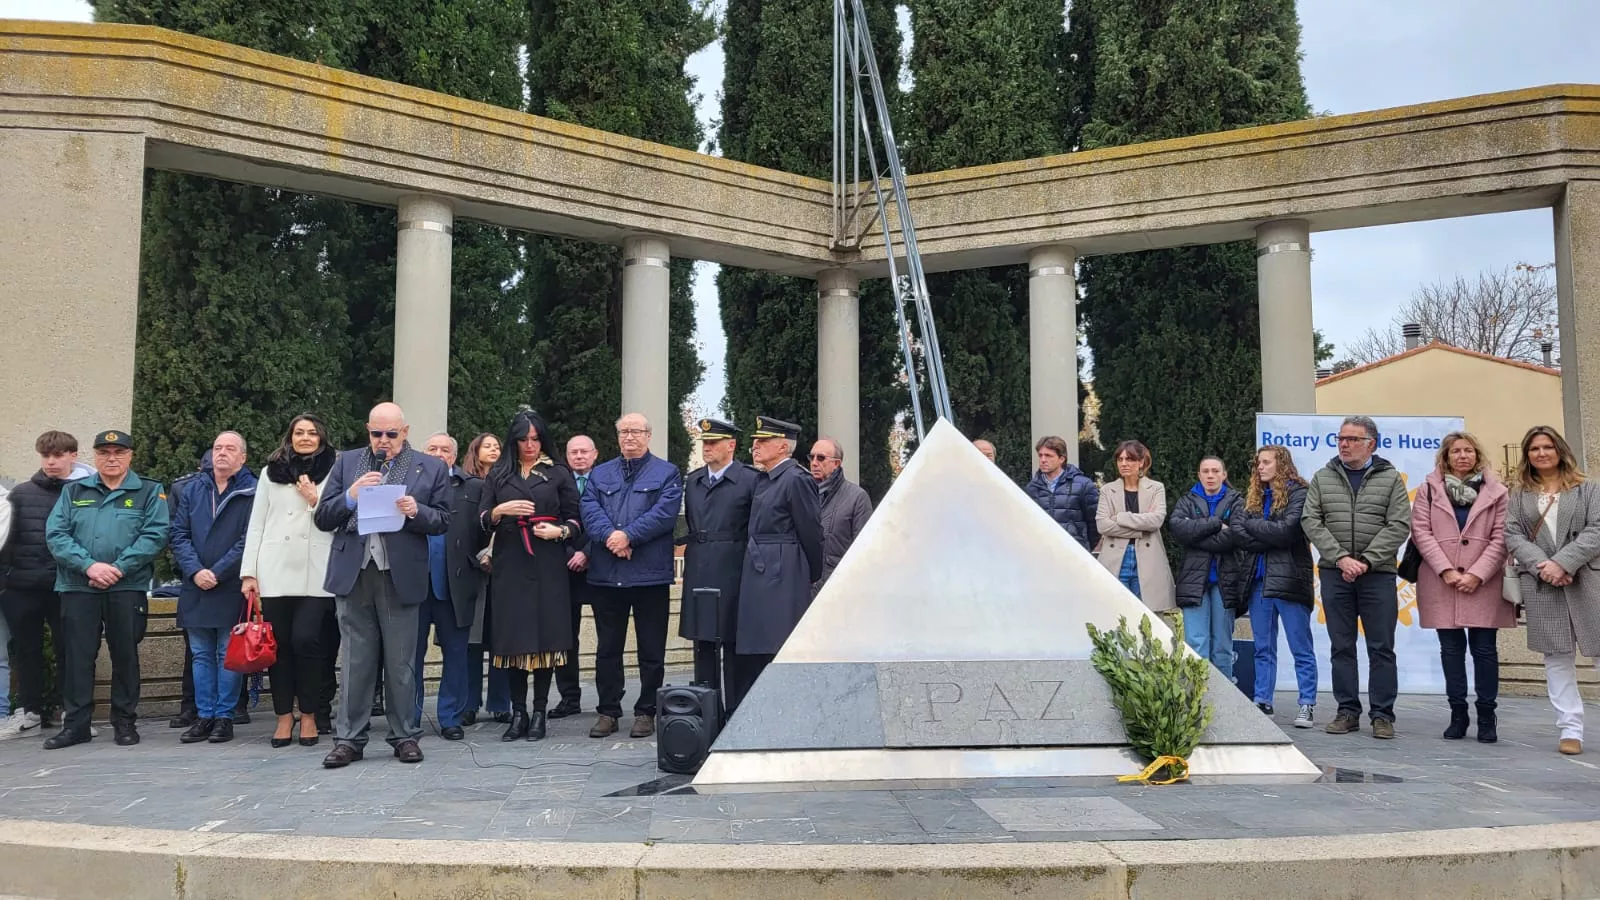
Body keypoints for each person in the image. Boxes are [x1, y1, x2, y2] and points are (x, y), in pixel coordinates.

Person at [314, 402, 451, 768]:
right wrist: (350, 496)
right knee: (356, 660)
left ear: (405, 432)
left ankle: (405, 734)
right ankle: (348, 739)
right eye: (377, 433)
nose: (384, 441)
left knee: (401, 659)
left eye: (392, 434)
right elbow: (322, 517)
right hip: (354, 571)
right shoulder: (346, 463)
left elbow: (443, 520)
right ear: (367, 430)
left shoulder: (431, 466)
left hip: (399, 573)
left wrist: (415, 512)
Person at [43, 429, 171, 749]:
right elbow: (57, 534)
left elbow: (154, 535)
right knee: (78, 658)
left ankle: (125, 722)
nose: (111, 458)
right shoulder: (74, 492)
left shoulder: (148, 491)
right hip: (78, 585)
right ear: (95, 456)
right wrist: (89, 565)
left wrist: (118, 567)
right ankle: (76, 726)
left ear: (130, 456)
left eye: (118, 452)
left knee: (125, 655)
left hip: (126, 586)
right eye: (103, 453)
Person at [1303, 415, 1412, 740]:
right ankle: (1347, 711)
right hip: (1336, 574)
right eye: (1341, 439)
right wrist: (1341, 558)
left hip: (1376, 575)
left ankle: (1382, 715)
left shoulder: (1390, 479)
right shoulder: (1323, 477)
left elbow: (1399, 525)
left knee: (1381, 647)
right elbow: (1311, 520)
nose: (1345, 445)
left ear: (1371, 444)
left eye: (1352, 439)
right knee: (1342, 645)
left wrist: (1364, 560)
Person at [478, 410, 583, 741]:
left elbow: (577, 520)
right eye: (523, 439)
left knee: (544, 639)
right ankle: (518, 712)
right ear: (514, 441)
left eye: (536, 439)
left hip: (547, 563)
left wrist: (559, 532)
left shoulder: (558, 474)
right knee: (513, 641)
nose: (530, 445)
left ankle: (539, 712)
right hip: (510, 564)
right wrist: (499, 511)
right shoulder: (498, 474)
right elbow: (480, 520)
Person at [580, 413, 682, 740]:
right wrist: (612, 536)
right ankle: (608, 711)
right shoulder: (601, 473)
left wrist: (628, 537)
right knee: (608, 649)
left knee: (651, 649)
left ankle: (646, 710)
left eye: (636, 431)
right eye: (623, 431)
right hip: (607, 576)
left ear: (648, 435)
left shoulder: (667, 473)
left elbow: (663, 515)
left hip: (649, 575)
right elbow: (589, 510)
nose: (629, 437)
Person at [242, 414, 337, 747]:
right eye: (299, 432)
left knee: (308, 640)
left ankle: (309, 714)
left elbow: (341, 515)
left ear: (322, 437)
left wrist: (315, 499)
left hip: (317, 570)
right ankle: (284, 716)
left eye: (312, 432)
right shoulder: (271, 472)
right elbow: (257, 523)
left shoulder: (335, 468)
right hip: (275, 568)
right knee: (278, 645)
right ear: (290, 437)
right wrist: (249, 573)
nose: (306, 437)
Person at [1504, 425, 1600, 756]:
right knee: (1557, 658)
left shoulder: (1587, 489)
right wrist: (1545, 566)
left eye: (1547, 447)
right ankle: (1570, 729)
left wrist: (1564, 563)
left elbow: (1597, 529)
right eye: (1534, 449)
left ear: (1559, 450)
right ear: (1527, 456)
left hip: (1587, 580)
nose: (1541, 453)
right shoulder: (1519, 495)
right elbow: (1512, 535)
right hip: (1543, 583)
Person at [1412, 431, 1513, 743]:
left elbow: (1502, 537)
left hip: (1484, 581)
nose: (1462, 456)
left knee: (1484, 650)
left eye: (1468, 450)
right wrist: (1445, 570)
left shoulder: (1498, 491)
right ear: (1446, 457)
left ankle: (1486, 715)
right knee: (1451, 650)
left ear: (1477, 455)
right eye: (1455, 451)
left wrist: (1477, 574)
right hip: (1441, 581)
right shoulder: (1428, 490)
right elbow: (1420, 532)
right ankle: (1458, 713)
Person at [170, 431, 257, 745]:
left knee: (226, 654)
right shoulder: (193, 489)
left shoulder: (252, 490)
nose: (222, 453)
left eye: (230, 448)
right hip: (196, 585)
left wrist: (217, 572)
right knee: (200, 655)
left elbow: (248, 540)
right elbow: (178, 534)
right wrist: (195, 571)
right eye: (217, 447)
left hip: (231, 584)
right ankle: (203, 716)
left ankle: (224, 717)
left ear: (242, 457)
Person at [731, 416, 823, 710]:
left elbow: (810, 529)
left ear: (783, 447)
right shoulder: (764, 478)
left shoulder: (796, 479)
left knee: (777, 640)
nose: (754, 446)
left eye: (763, 441)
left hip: (783, 566)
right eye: (755, 440)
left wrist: (809, 570)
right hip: (761, 565)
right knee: (757, 641)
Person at [0, 431, 78, 736]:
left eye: (58, 455)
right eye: (46, 456)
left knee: (69, 649)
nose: (52, 462)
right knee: (26, 650)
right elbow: (6, 540)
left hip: (65, 587)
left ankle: (71, 711)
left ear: (72, 456)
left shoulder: (82, 492)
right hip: (21, 587)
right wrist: (6, 581)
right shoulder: (19, 494)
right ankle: (30, 710)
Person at [410, 432, 486, 742]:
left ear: (454, 457)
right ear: (423, 454)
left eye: (445, 450)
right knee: (408, 658)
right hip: (412, 585)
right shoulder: (407, 486)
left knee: (456, 655)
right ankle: (408, 718)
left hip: (455, 584)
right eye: (432, 449)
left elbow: (483, 532)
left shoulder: (474, 487)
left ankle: (450, 717)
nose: (439, 453)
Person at [1237, 445, 1317, 728]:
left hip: (1290, 579)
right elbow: (1240, 532)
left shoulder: (1300, 492)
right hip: (1259, 582)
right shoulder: (1255, 496)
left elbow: (1286, 532)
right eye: (1258, 462)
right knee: (1263, 646)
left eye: (1266, 462)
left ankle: (1306, 703)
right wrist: (1266, 530)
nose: (1260, 467)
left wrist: (1256, 527)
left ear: (1281, 464)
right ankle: (1262, 700)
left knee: (1300, 645)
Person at [679, 418, 756, 708]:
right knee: (703, 642)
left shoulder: (749, 479)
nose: (707, 448)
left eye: (713, 443)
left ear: (731, 445)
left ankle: (737, 708)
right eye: (705, 443)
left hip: (734, 567)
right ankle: (706, 708)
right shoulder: (694, 480)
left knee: (735, 643)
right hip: (700, 565)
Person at [1169, 456, 1247, 680]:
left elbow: (1235, 537)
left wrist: (1196, 536)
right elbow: (1178, 529)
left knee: (1222, 646)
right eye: (1206, 471)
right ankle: (1197, 698)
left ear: (1224, 475)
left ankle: (1223, 701)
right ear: (1199, 475)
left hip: (1226, 581)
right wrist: (1214, 524)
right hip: (1194, 583)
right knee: (1196, 644)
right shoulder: (1186, 501)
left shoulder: (1237, 501)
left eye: (1215, 471)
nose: (1210, 476)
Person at [460, 431, 509, 725]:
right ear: (474, 451)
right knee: (472, 641)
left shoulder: (507, 482)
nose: (493, 449)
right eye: (486, 446)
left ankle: (501, 703)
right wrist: (479, 555)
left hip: (504, 569)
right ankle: (469, 703)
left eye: (497, 446)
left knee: (501, 639)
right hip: (471, 570)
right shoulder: (464, 484)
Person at [1094, 440, 1175, 614]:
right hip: (1116, 558)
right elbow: (1102, 525)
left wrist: (1120, 517)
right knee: (1115, 615)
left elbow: (1155, 521)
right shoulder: (1108, 490)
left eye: (1129, 459)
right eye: (1120, 459)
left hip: (1147, 559)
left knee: (1146, 618)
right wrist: (1141, 528)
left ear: (1140, 462)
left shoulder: (1156, 488)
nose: (1123, 464)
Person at [552, 433, 598, 719]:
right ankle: (569, 698)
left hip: (601, 565)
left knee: (609, 634)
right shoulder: (558, 482)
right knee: (564, 636)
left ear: (595, 454)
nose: (579, 456)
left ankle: (609, 699)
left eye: (584, 452)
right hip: (564, 566)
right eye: (573, 452)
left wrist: (588, 553)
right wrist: (570, 552)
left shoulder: (607, 481)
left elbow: (613, 519)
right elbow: (552, 519)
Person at [809, 436, 872, 592]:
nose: (814, 462)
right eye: (811, 457)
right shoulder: (802, 494)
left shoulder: (857, 497)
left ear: (836, 464)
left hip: (838, 587)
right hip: (804, 588)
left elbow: (864, 549)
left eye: (821, 458)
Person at [1024, 435, 1098, 551]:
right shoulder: (1032, 488)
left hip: (1074, 551)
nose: (1043, 460)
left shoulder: (1083, 485)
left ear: (1061, 459)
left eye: (1048, 456)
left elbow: (1094, 523)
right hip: (1042, 551)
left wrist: (1084, 546)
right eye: (1040, 455)